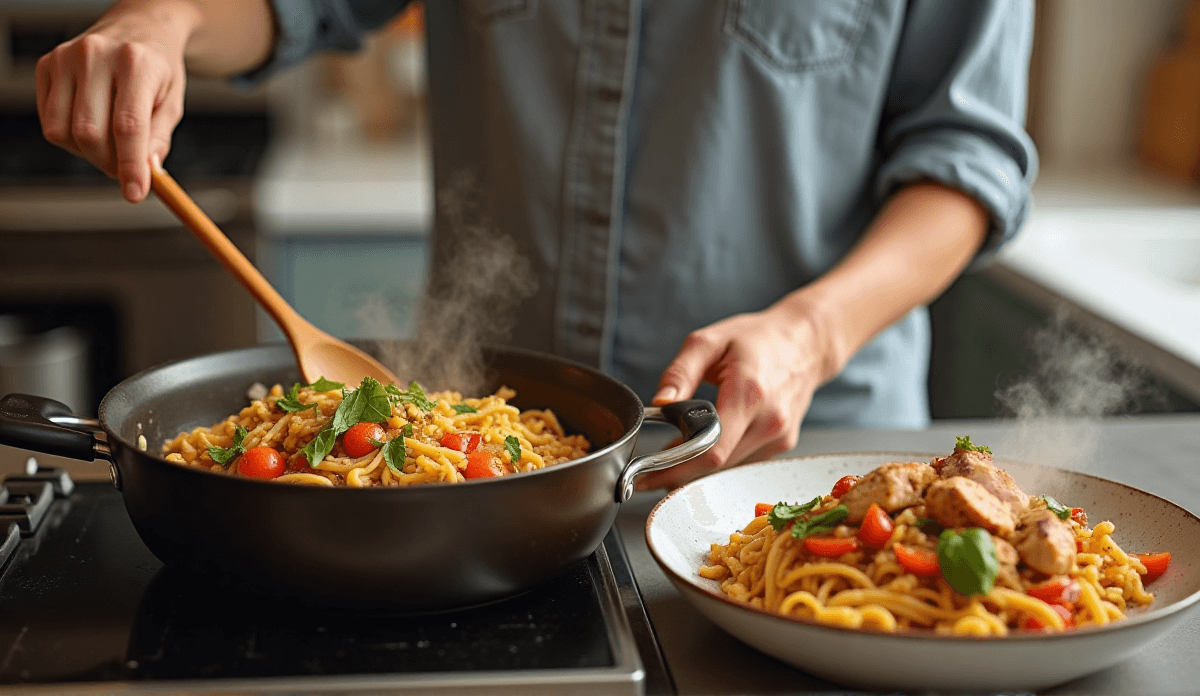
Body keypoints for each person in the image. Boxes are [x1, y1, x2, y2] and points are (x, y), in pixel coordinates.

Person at [36, 0, 1037, 489]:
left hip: (802, 449)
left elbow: (967, 156)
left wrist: (811, 333)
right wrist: (162, 20)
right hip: (474, 478)